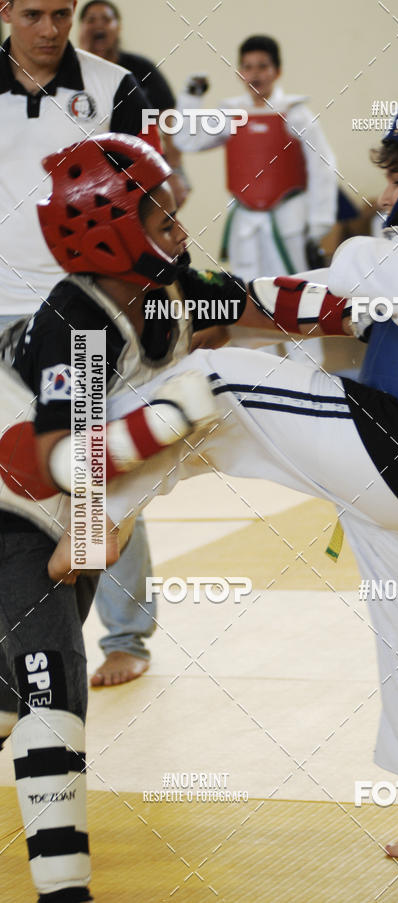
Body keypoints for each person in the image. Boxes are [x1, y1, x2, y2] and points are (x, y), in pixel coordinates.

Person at [7, 88, 398, 873]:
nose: (383, 195)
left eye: (397, 178)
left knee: (217, 386)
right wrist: (227, 292)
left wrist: (347, 270)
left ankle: (103, 517)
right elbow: (320, 303)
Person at [0, 132, 248, 902]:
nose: (180, 228)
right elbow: (60, 459)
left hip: (59, 509)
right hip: (12, 504)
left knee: (15, 689)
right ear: (111, 232)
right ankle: (64, 890)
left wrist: (375, 306)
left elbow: (259, 298)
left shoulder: (169, 288)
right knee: (53, 689)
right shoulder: (73, 325)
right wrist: (166, 419)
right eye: (163, 217)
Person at [0, 0, 167, 689]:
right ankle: (24, 653)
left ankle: (125, 634)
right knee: (15, 488)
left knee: (99, 481)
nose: (50, 30)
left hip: (85, 312)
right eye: (33, 13)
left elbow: (150, 198)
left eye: (62, 13)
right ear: (5, 9)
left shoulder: (114, 87)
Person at [174, 34, 337, 363]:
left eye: (262, 66)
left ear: (277, 71)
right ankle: (251, 377)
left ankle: (310, 374)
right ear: (239, 73)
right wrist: (190, 98)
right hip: (245, 223)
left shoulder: (296, 114)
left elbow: (323, 165)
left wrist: (319, 223)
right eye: (247, 67)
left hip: (288, 222)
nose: (255, 75)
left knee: (295, 298)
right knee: (246, 299)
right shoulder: (232, 112)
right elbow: (187, 140)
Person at [77, 0, 190, 208]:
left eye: (106, 19)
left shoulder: (140, 69)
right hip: (86, 180)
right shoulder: (71, 74)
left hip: (140, 174)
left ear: (118, 27)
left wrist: (175, 171)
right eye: (91, 20)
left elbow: (169, 122)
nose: (98, 25)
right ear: (80, 28)